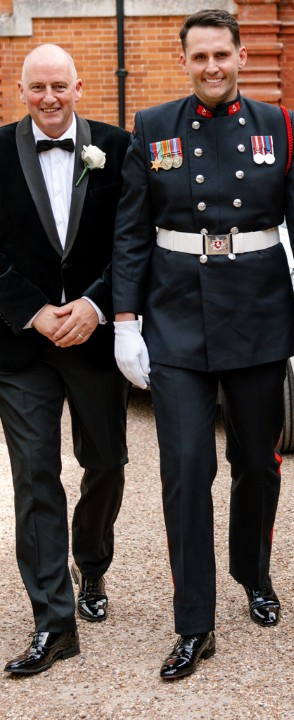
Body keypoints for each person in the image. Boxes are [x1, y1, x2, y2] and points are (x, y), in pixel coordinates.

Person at [112, 9, 294, 680]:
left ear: (240, 57)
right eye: (199, 56)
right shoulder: (152, 129)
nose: (211, 66)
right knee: (185, 468)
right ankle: (194, 623)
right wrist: (125, 321)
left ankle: (252, 572)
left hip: (259, 315)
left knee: (257, 464)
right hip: (175, 317)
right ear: (185, 62)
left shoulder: (281, 126)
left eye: (222, 55)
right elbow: (129, 232)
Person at [0, 44, 130, 676]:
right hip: (19, 346)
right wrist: (33, 310)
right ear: (20, 91)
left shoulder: (118, 147)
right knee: (34, 478)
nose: (49, 98)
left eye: (59, 86)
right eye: (37, 88)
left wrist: (94, 306)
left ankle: (93, 564)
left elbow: (133, 241)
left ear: (79, 87)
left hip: (95, 340)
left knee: (105, 463)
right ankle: (53, 623)